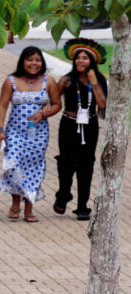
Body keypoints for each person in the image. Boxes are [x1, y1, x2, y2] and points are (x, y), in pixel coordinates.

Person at [0, 46, 60, 222]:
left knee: (33, 167)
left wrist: (43, 113)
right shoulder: (11, 81)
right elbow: (2, 106)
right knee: (14, 163)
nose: (34, 64)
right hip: (15, 131)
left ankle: (29, 208)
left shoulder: (49, 81)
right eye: (30, 60)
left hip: (37, 133)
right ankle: (15, 201)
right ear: (22, 61)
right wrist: (0, 130)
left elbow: (56, 104)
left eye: (37, 60)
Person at [53, 40, 107, 221]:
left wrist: (94, 82)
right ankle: (63, 194)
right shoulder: (67, 80)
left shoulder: (98, 81)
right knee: (66, 163)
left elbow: (102, 104)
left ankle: (82, 205)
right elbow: (53, 101)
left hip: (89, 125)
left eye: (85, 58)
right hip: (68, 124)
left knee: (86, 164)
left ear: (92, 61)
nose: (80, 61)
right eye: (78, 58)